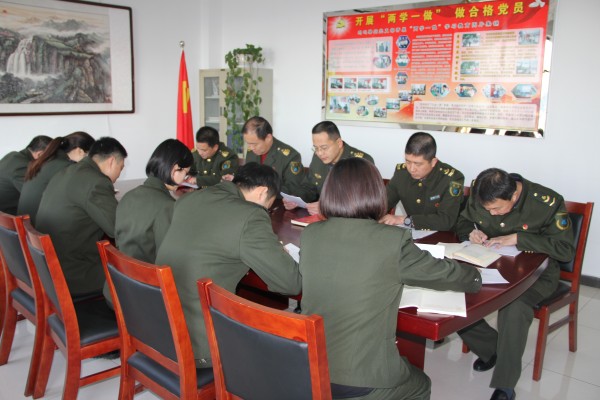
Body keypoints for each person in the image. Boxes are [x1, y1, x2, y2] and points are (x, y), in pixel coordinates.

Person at [300, 158, 481, 400]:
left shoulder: (311, 234)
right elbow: (444, 273)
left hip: (309, 367)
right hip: (361, 380)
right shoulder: (391, 240)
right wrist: (475, 275)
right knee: (421, 384)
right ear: (376, 193)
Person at [155, 162, 301, 367]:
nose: (266, 210)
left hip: (159, 329)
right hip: (200, 345)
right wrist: (276, 252)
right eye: (268, 205)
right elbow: (290, 283)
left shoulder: (190, 199)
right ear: (262, 192)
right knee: (288, 350)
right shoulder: (250, 215)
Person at [454, 168, 575, 400]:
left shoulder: (546, 203)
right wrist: (470, 233)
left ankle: (505, 384)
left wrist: (520, 239)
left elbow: (565, 250)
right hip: (491, 266)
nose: (492, 213)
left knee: (514, 306)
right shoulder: (483, 192)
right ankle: (492, 350)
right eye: (488, 209)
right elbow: (463, 221)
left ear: (514, 196)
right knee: (454, 292)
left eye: (497, 208)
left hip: (537, 275)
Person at [36, 137, 128, 297]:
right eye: (121, 168)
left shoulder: (66, 172)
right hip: (74, 273)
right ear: (111, 161)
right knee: (137, 275)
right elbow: (117, 228)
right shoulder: (96, 182)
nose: (118, 176)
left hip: (48, 268)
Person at [284, 120, 374, 215]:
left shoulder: (362, 161)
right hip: (321, 217)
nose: (319, 153)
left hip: (349, 218)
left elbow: (362, 200)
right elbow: (310, 186)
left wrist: (326, 207)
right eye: (316, 148)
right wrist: (296, 199)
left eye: (324, 148)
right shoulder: (318, 158)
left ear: (339, 143)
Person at [381, 131, 465, 231]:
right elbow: (382, 204)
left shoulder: (452, 178)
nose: (412, 169)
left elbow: (446, 220)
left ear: (433, 162)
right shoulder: (401, 174)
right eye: (408, 161)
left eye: (418, 164)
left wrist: (404, 220)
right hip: (412, 234)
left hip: (444, 235)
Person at [18, 131, 95, 225]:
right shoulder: (66, 168)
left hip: (30, 227)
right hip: (40, 227)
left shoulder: (48, 161)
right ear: (80, 151)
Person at [243, 116, 305, 196]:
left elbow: (292, 188)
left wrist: (263, 191)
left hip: (276, 200)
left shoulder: (290, 156)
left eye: (254, 144)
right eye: (248, 143)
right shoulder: (251, 151)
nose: (251, 148)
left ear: (268, 138)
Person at [0, 135, 52, 215]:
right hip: (9, 216)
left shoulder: (13, 155)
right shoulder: (22, 167)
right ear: (39, 154)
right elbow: (35, 196)